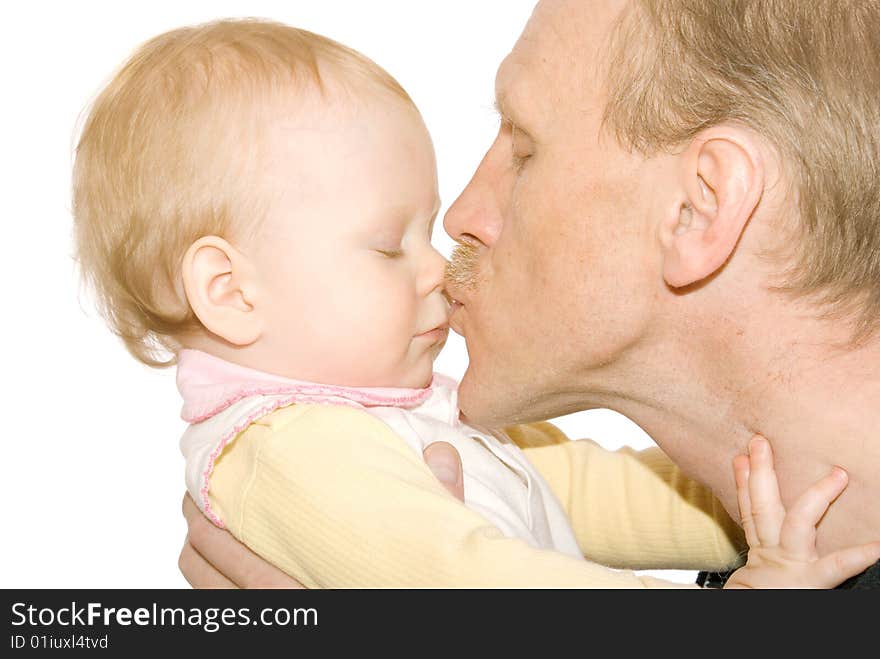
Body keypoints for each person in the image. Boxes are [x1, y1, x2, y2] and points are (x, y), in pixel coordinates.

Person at [179, 0, 880, 589]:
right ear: (230, 290)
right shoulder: (287, 447)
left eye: (523, 146)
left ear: (700, 207)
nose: (459, 220)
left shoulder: (410, 427)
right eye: (389, 246)